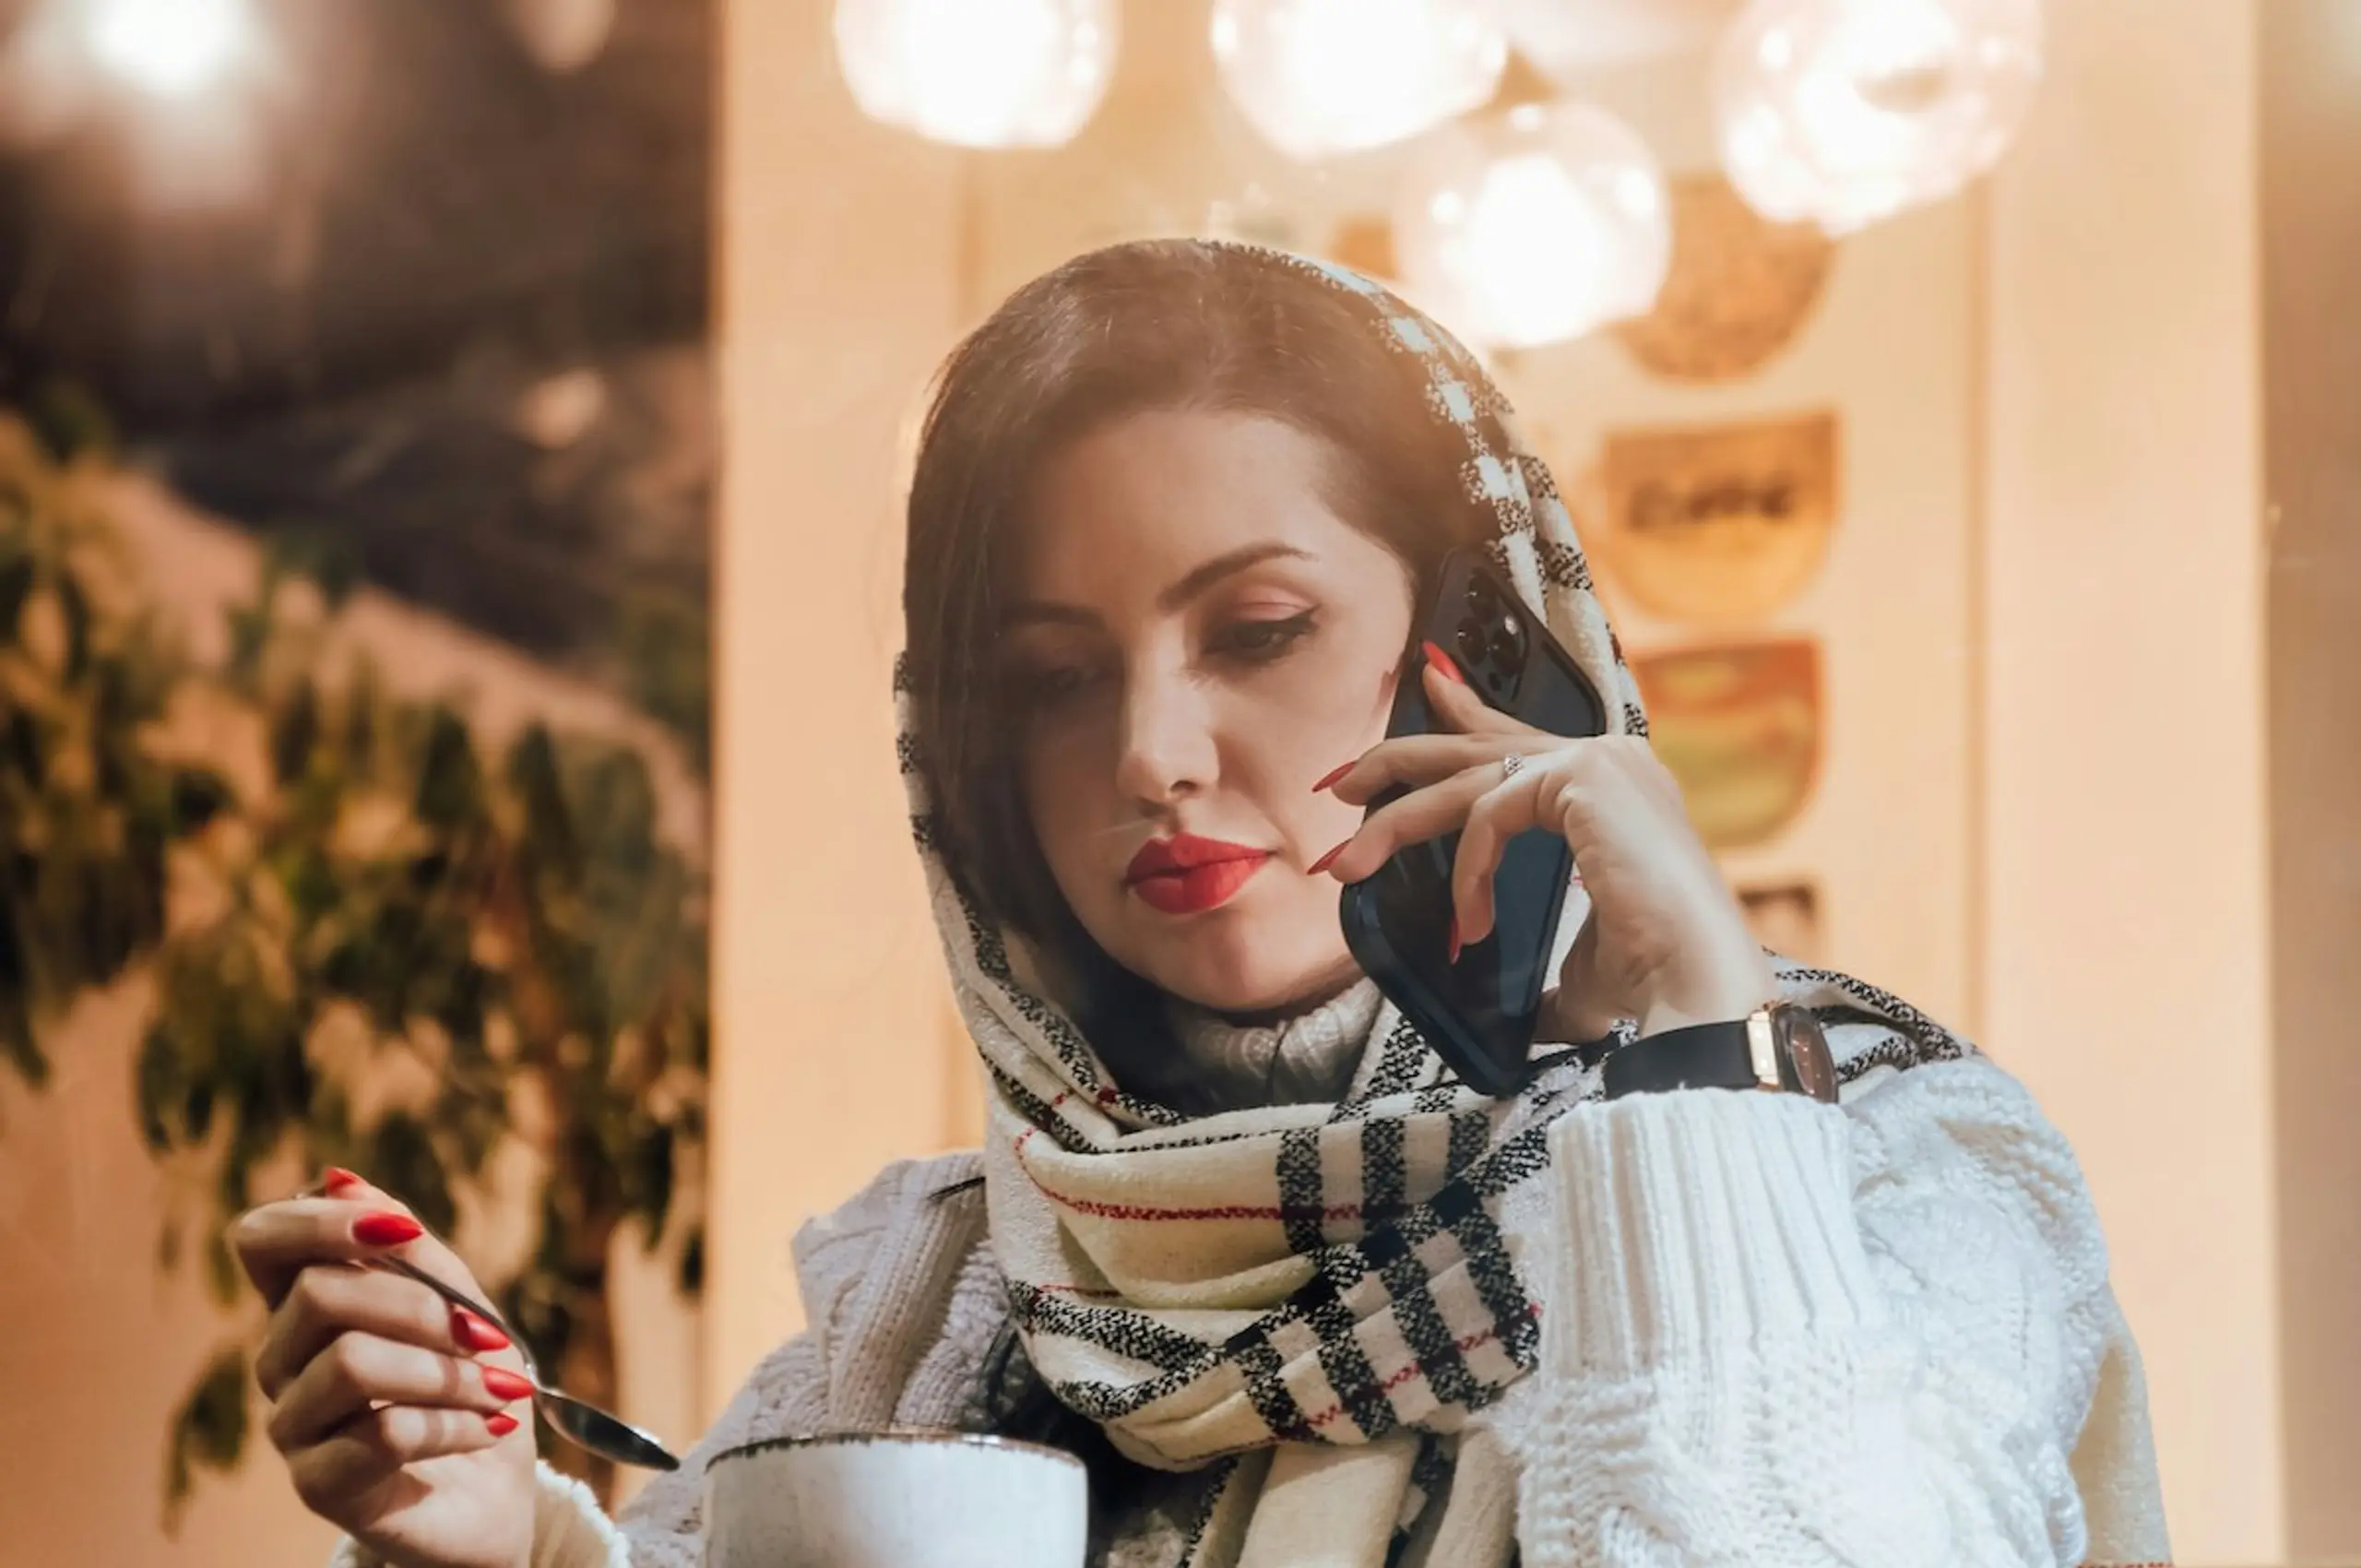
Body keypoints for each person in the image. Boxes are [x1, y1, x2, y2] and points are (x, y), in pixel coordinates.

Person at [232, 241, 2171, 1568]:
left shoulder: (1888, 1170)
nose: (1152, 750)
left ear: (1473, 646)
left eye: (1255, 629)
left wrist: (1689, 1069)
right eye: (1056, 676)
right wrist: (504, 1530)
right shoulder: (943, 1287)